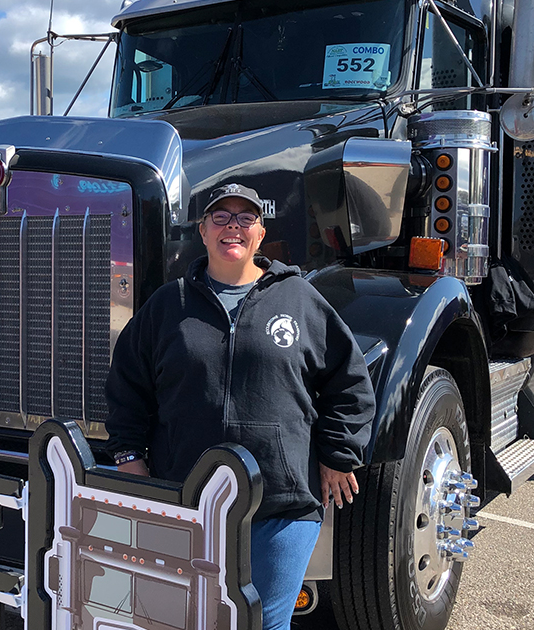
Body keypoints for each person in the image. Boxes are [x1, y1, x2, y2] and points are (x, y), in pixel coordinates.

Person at [105, 183, 377, 630]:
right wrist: (129, 459)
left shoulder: (300, 300)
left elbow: (349, 382)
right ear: (203, 231)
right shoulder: (167, 306)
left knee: (265, 625)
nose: (233, 227)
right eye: (221, 217)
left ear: (260, 233)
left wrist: (336, 454)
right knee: (186, 619)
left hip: (282, 506)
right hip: (186, 505)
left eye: (245, 218)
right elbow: (127, 388)